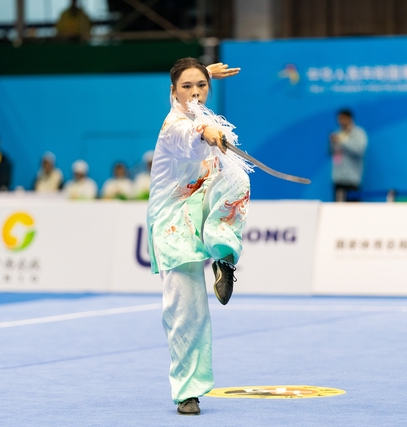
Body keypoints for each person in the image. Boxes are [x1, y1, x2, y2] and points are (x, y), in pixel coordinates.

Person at [147, 59, 247, 416]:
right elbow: (188, 138)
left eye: (201, 86)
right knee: (187, 310)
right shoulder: (175, 125)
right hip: (173, 222)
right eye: (186, 87)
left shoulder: (201, 109)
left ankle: (223, 256)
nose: (194, 93)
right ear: (172, 92)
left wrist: (202, 70)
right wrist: (205, 133)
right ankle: (187, 392)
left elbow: (190, 88)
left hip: (201, 202)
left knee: (237, 179)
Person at [329, 109, 368, 202]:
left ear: (349, 118)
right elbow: (331, 153)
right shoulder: (337, 133)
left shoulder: (359, 133)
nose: (340, 122)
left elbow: (359, 150)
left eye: (342, 119)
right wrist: (332, 143)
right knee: (339, 211)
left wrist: (342, 141)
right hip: (338, 178)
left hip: (352, 180)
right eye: (339, 119)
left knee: (353, 212)